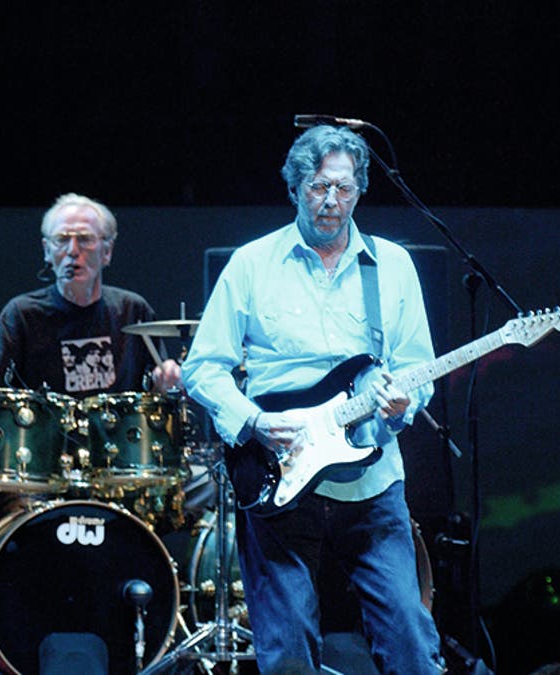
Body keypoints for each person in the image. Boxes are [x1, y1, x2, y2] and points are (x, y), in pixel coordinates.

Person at [181, 125, 445, 672]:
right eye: (319, 187)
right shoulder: (253, 264)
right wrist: (252, 421)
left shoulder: (391, 266)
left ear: (360, 190)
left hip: (372, 483)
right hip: (280, 478)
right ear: (296, 187)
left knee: (412, 640)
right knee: (289, 652)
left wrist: (404, 405)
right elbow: (203, 367)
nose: (331, 202)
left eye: (344, 189)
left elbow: (418, 371)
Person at [0, 192, 180, 396]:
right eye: (62, 240)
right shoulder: (22, 314)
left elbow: (156, 400)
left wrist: (165, 381)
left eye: (85, 239)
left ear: (107, 251)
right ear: (47, 250)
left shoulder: (132, 310)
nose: (73, 251)